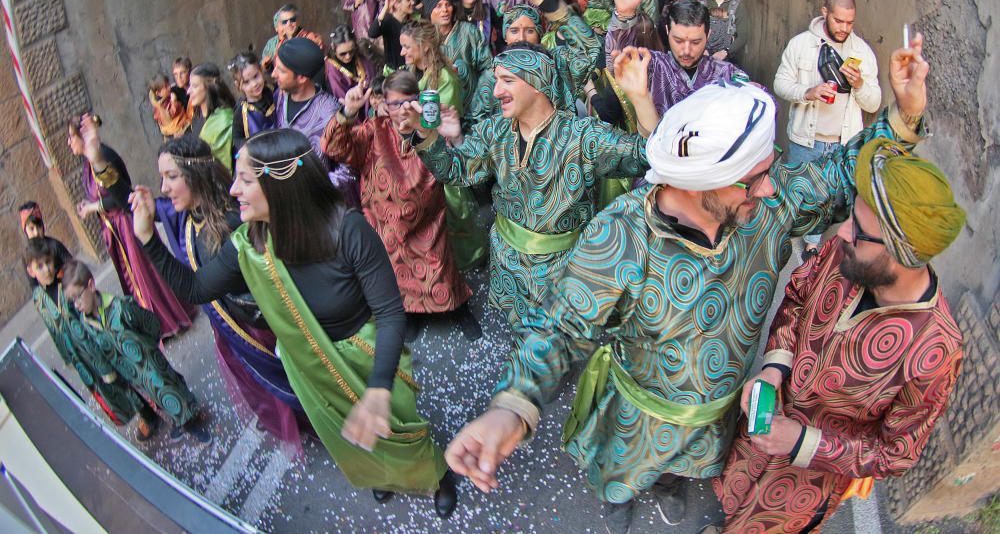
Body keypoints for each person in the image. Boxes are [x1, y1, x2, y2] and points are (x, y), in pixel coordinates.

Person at [442, 36, 931, 533]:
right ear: (701, 179)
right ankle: (622, 493)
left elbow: (842, 172)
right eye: (755, 177)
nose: (769, 186)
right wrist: (511, 408)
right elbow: (561, 329)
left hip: (716, 416)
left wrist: (905, 114)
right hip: (637, 415)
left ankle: (671, 482)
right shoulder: (623, 235)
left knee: (682, 470)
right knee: (621, 476)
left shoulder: (768, 209)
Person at [133, 128, 458, 518]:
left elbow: (389, 314)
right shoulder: (249, 245)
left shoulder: (349, 231)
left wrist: (376, 390)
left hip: (368, 358)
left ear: (280, 182)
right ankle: (383, 477)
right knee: (353, 441)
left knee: (400, 430)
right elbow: (195, 287)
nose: (233, 189)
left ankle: (436, 476)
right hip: (310, 371)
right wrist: (147, 237)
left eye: (245, 180)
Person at [713, 138, 965, 533]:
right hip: (760, 432)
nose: (842, 233)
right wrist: (774, 371)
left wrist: (803, 444)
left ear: (902, 252)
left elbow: (895, 454)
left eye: (859, 230)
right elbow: (797, 297)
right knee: (731, 498)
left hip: (807, 482)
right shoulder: (844, 255)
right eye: (850, 216)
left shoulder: (936, 351)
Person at [405, 44, 656, 327]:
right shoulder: (495, 130)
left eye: (508, 80)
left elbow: (647, 155)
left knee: (556, 349)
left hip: (563, 272)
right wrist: (426, 136)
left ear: (538, 82)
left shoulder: (581, 136)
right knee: (520, 334)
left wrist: (641, 99)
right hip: (506, 265)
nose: (496, 90)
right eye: (497, 79)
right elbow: (454, 169)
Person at [126, 135, 305, 448]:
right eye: (162, 178)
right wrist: (149, 207)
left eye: (171, 177)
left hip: (257, 324)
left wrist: (148, 240)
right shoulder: (192, 213)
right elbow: (167, 209)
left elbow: (195, 288)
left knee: (292, 384)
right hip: (229, 321)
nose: (164, 188)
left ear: (195, 175)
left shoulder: (230, 224)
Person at [322, 71, 481, 340]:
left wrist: (454, 137)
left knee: (440, 263)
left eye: (410, 101)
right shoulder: (374, 130)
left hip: (428, 217)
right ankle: (409, 313)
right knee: (394, 269)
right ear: (384, 103)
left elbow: (464, 166)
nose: (403, 109)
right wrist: (347, 111)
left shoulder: (429, 129)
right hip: (386, 223)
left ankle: (459, 308)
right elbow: (333, 148)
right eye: (396, 103)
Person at [773, 0, 881, 259]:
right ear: (825, 13)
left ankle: (811, 245)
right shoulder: (800, 45)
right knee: (798, 193)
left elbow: (873, 103)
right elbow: (780, 84)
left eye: (850, 23)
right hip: (805, 139)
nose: (844, 28)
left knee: (827, 200)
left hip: (840, 144)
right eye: (838, 21)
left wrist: (858, 84)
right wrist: (807, 92)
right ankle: (783, 240)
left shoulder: (862, 52)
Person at [70, 114, 194, 338]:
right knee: (134, 278)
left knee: (147, 273)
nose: (70, 144)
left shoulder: (105, 156)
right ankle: (150, 322)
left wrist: (93, 207)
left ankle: (167, 318)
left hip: (127, 222)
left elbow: (121, 194)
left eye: (71, 137)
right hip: (114, 230)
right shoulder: (88, 165)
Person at [24, 239, 164, 437]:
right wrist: (67, 358)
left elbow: (89, 308)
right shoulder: (39, 298)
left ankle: (150, 412)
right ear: (31, 271)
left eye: (48, 262)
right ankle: (144, 410)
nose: (46, 269)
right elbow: (53, 330)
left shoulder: (67, 286)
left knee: (124, 378)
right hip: (80, 357)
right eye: (40, 266)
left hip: (97, 344)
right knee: (109, 389)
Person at [62, 260, 210, 443]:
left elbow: (150, 324)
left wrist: (149, 348)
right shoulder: (87, 324)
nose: (76, 305)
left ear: (91, 285)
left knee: (170, 389)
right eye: (72, 301)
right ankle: (178, 421)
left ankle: (191, 421)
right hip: (130, 373)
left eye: (78, 297)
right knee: (156, 398)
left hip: (149, 362)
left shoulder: (121, 308)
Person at [399, 21, 488, 272]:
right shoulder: (411, 73)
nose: (403, 52)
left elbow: (438, 122)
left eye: (407, 47)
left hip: (441, 152)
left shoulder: (445, 79)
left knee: (454, 211)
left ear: (424, 46)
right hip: (417, 151)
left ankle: (468, 260)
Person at [608, 0, 748, 116]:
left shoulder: (726, 73)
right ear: (668, 31)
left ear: (708, 35)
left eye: (695, 42)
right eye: (678, 40)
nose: (686, 51)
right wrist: (624, 16)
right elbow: (620, 63)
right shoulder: (652, 65)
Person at [472, 0, 602, 116]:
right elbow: (478, 120)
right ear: (505, 36)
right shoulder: (492, 76)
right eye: (514, 31)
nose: (521, 38)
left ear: (539, 34)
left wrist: (547, 3)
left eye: (530, 31)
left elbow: (591, 48)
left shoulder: (557, 65)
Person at [273, 37, 358, 206]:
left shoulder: (330, 112)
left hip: (321, 208)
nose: (274, 74)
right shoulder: (281, 96)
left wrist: (315, 189)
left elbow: (349, 169)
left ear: (302, 78)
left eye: (281, 71)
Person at [422, 0, 494, 128]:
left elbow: (488, 67)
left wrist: (480, 100)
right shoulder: (423, 39)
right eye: (438, 6)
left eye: (448, 5)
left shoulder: (468, 32)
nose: (445, 10)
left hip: (470, 113)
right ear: (429, 11)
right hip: (436, 114)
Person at [188, 63, 236, 172]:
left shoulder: (224, 119)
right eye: (189, 86)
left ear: (209, 85)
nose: (188, 91)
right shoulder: (196, 119)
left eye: (194, 86)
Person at [697, 0, 748, 64]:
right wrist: (700, 48)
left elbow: (743, 35)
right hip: (702, 59)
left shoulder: (736, 4)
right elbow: (691, 29)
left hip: (728, 62)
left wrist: (726, 52)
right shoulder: (700, 1)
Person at [230, 51, 276, 157]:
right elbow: (237, 139)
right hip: (259, 160)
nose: (254, 84)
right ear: (238, 85)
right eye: (246, 82)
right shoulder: (241, 112)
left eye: (256, 76)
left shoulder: (275, 93)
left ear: (261, 70)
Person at [261, 4, 325, 74]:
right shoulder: (281, 43)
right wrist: (268, 66)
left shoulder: (310, 39)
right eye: (284, 22)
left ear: (298, 20)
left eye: (292, 20)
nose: (289, 24)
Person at [325, 25, 375, 109]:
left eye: (351, 51)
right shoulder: (331, 70)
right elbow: (339, 96)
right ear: (334, 50)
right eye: (343, 54)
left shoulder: (361, 58)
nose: (348, 57)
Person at [369, 0, 416, 72]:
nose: (413, 2)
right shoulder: (387, 21)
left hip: (412, 69)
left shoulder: (413, 22)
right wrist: (385, 8)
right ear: (397, 4)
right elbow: (372, 33)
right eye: (408, 0)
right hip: (394, 72)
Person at [148, 73, 192, 139]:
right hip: (177, 129)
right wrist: (174, 101)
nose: (169, 87)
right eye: (166, 87)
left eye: (168, 84)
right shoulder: (161, 106)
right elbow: (169, 117)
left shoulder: (169, 94)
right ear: (158, 93)